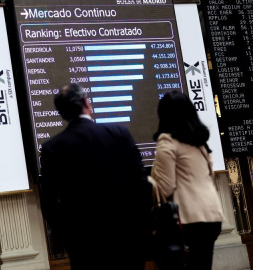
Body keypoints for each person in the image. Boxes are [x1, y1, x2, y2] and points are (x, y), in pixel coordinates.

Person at [39, 83, 152, 269]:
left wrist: (69, 238)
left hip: (84, 245)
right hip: (126, 238)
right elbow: (141, 185)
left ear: (61, 113)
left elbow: (49, 204)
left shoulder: (52, 149)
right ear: (86, 102)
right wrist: (142, 228)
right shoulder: (119, 134)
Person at [150, 90, 224, 270]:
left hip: (188, 218)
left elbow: (166, 188)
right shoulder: (199, 142)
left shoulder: (167, 142)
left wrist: (149, 180)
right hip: (212, 214)